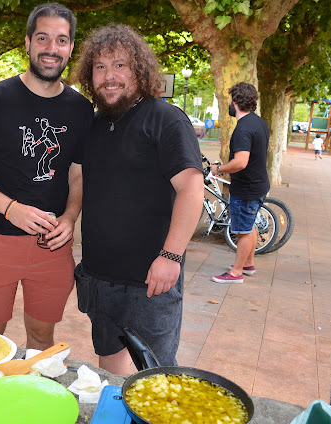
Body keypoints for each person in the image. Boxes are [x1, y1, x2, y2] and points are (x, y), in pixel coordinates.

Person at [0, 3, 92, 350]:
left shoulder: (81, 109)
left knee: (42, 341)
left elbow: (77, 175)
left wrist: (71, 218)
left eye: (61, 40)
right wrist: (11, 208)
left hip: (52, 246)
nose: (51, 48)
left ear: (70, 48)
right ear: (28, 43)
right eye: (43, 38)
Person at [73, 24, 204, 374]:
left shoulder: (164, 118)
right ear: (90, 75)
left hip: (150, 280)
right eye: (100, 67)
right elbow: (83, 181)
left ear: (139, 71)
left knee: (155, 375)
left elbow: (192, 189)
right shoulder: (95, 125)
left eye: (120, 65)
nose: (109, 76)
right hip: (99, 278)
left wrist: (171, 255)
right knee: (110, 372)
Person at [210, 82, 270, 283]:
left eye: (229, 100)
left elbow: (240, 162)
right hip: (259, 185)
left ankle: (236, 272)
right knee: (249, 225)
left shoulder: (242, 129)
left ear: (235, 102)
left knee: (243, 231)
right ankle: (248, 264)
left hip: (246, 189)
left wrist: (219, 169)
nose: (228, 103)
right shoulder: (260, 123)